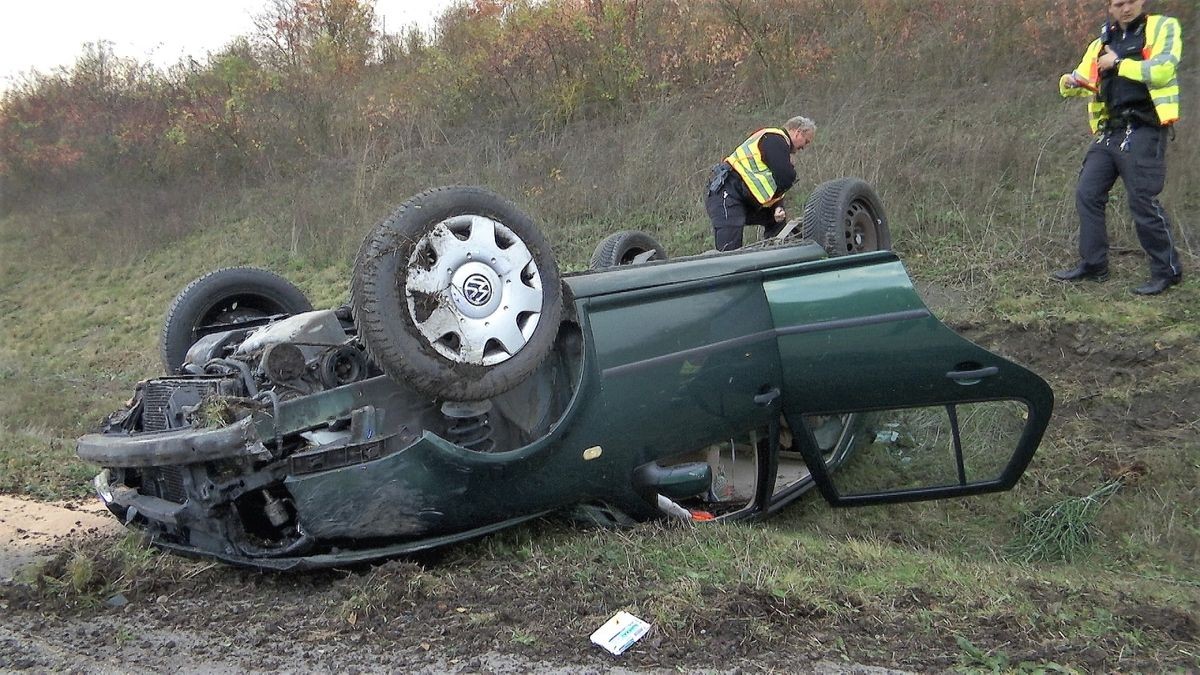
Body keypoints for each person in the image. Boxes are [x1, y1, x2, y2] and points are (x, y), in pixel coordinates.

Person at [1053, 0, 1183, 295]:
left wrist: (1120, 64)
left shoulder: (1163, 27)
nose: (1126, 8)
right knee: (1088, 193)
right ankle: (1095, 265)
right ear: (1110, 8)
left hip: (1145, 128)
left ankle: (1167, 271)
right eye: (1119, 3)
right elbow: (1083, 80)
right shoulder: (1102, 42)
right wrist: (1069, 82)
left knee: (1142, 200)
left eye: (1132, 1)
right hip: (1109, 131)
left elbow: (1163, 70)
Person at [705, 116, 816, 251]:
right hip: (726, 194)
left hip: (743, 196)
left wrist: (777, 207)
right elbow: (785, 176)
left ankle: (773, 254)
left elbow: (770, 183)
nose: (804, 147)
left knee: (777, 220)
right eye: (806, 141)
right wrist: (791, 169)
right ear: (798, 132)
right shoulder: (775, 139)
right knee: (729, 251)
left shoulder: (774, 143)